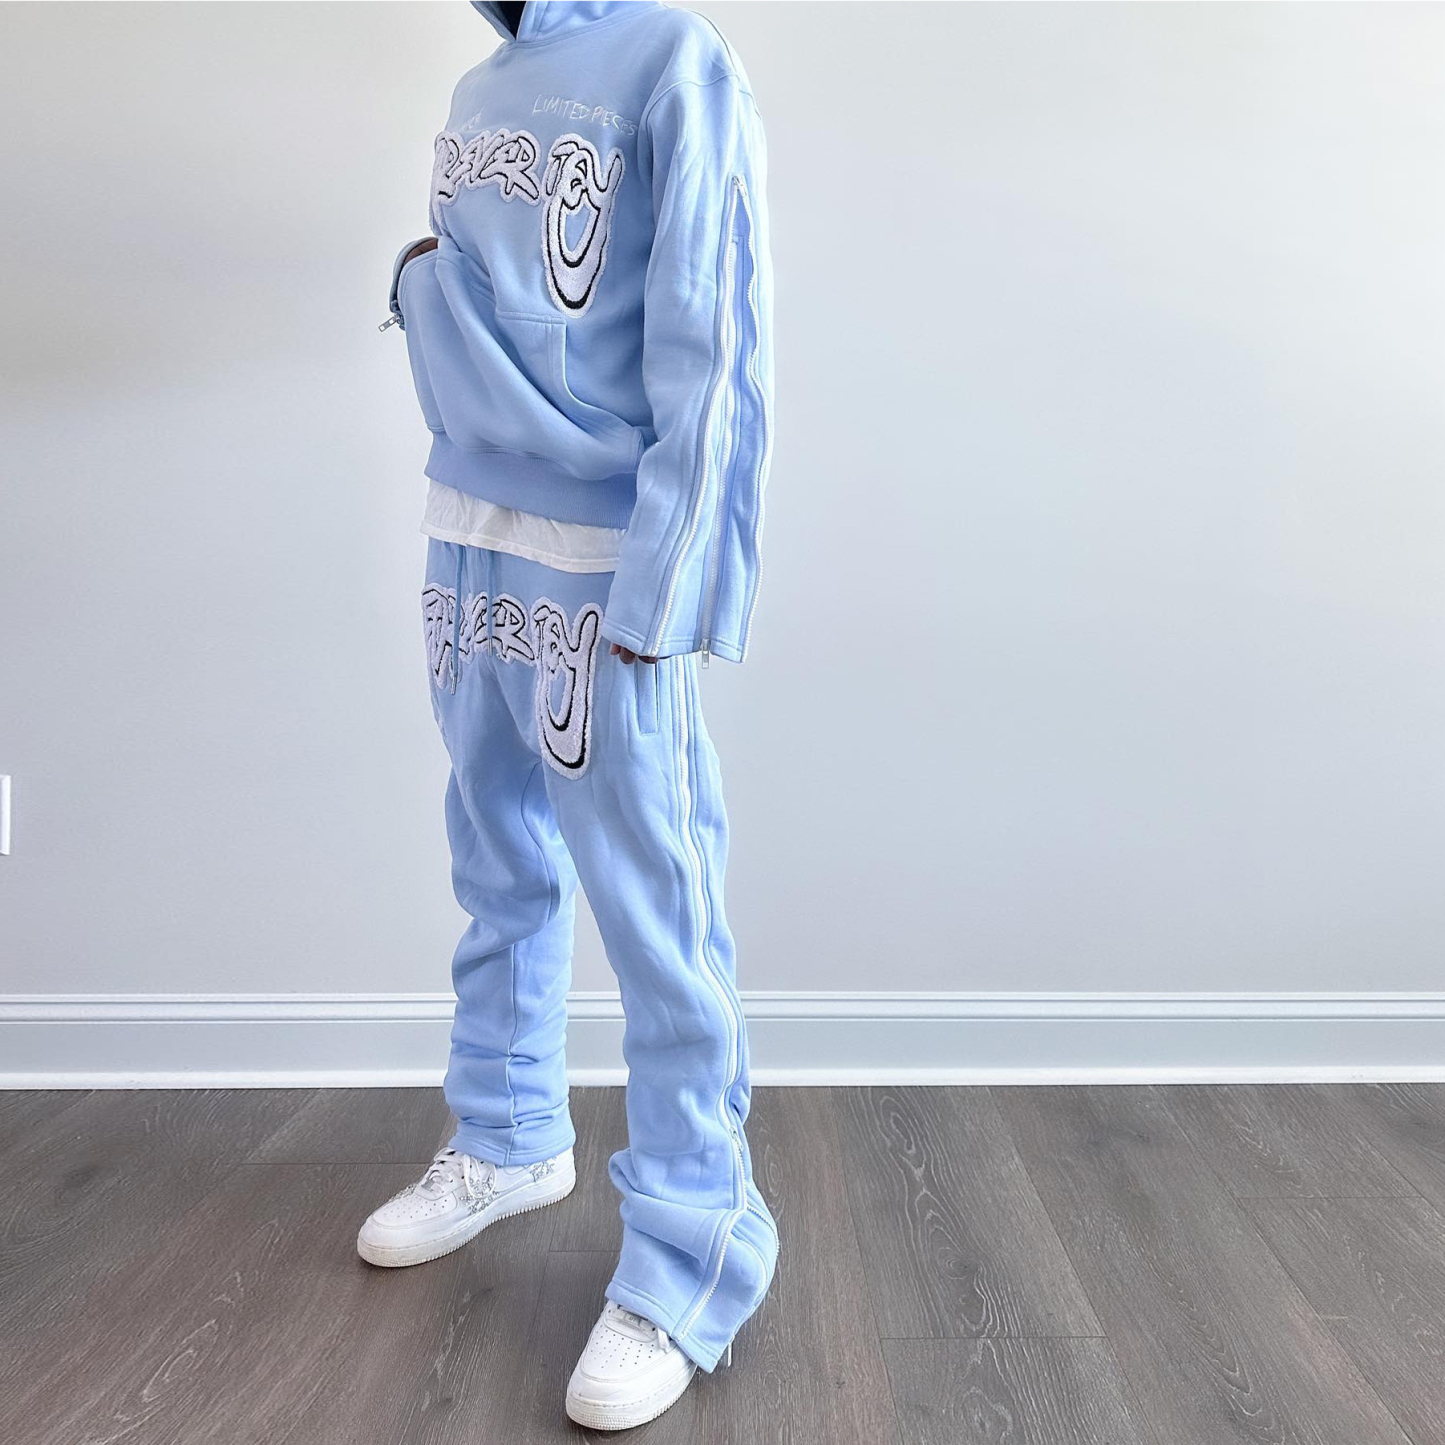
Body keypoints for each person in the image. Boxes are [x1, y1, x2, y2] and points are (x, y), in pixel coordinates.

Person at [359, 1, 775, 1430]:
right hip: (468, 525)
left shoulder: (672, 61)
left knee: (656, 902)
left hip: (606, 551)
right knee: (495, 860)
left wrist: (678, 577)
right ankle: (507, 1132)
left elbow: (716, 332)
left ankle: (694, 1246)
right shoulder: (483, 82)